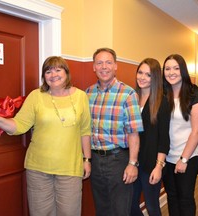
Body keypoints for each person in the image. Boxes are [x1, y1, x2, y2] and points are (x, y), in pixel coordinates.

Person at [0, 56, 92, 216]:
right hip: (38, 169)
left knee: (69, 213)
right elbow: (19, 125)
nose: (53, 75)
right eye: (48, 71)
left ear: (66, 73)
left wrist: (87, 160)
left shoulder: (81, 96)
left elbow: (85, 130)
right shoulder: (36, 96)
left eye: (58, 70)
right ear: (44, 76)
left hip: (70, 169)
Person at [85, 47, 144, 216]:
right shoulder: (87, 94)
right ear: (94, 67)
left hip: (118, 160)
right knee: (102, 208)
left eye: (108, 62)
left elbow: (134, 132)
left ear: (115, 66)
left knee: (120, 210)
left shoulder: (128, 94)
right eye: (99, 63)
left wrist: (132, 164)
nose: (104, 67)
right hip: (95, 159)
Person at [162, 54, 198, 216]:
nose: (171, 72)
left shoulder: (194, 93)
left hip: (188, 157)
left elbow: (197, 130)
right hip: (167, 158)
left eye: (176, 68)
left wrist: (183, 159)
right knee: (172, 197)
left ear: (183, 71)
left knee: (185, 198)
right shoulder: (163, 94)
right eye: (167, 68)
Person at [131, 58, 170, 216]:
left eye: (148, 75)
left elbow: (164, 139)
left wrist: (159, 166)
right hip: (132, 162)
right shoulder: (132, 98)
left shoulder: (162, 102)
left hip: (151, 163)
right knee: (130, 205)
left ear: (155, 78)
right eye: (140, 72)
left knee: (152, 206)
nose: (142, 77)